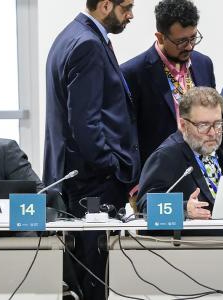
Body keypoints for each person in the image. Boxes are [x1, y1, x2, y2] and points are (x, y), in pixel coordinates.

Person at [43, 0, 136, 297]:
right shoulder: (88, 44)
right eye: (127, 7)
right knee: (93, 277)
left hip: (76, 177)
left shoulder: (70, 35)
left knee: (83, 274)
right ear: (106, 5)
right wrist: (110, 165)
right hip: (92, 182)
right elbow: (84, 121)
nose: (131, 15)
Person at [122, 0, 215, 166]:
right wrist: (135, 184)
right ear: (160, 37)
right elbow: (126, 135)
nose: (189, 47)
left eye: (193, 38)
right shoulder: (133, 73)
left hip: (204, 168)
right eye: (181, 41)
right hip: (159, 172)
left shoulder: (204, 64)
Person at [138, 87, 223, 221]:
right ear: (184, 125)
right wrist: (183, 209)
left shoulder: (214, 147)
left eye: (218, 124)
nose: (213, 133)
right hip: (194, 240)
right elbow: (145, 207)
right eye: (203, 125)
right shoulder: (166, 156)